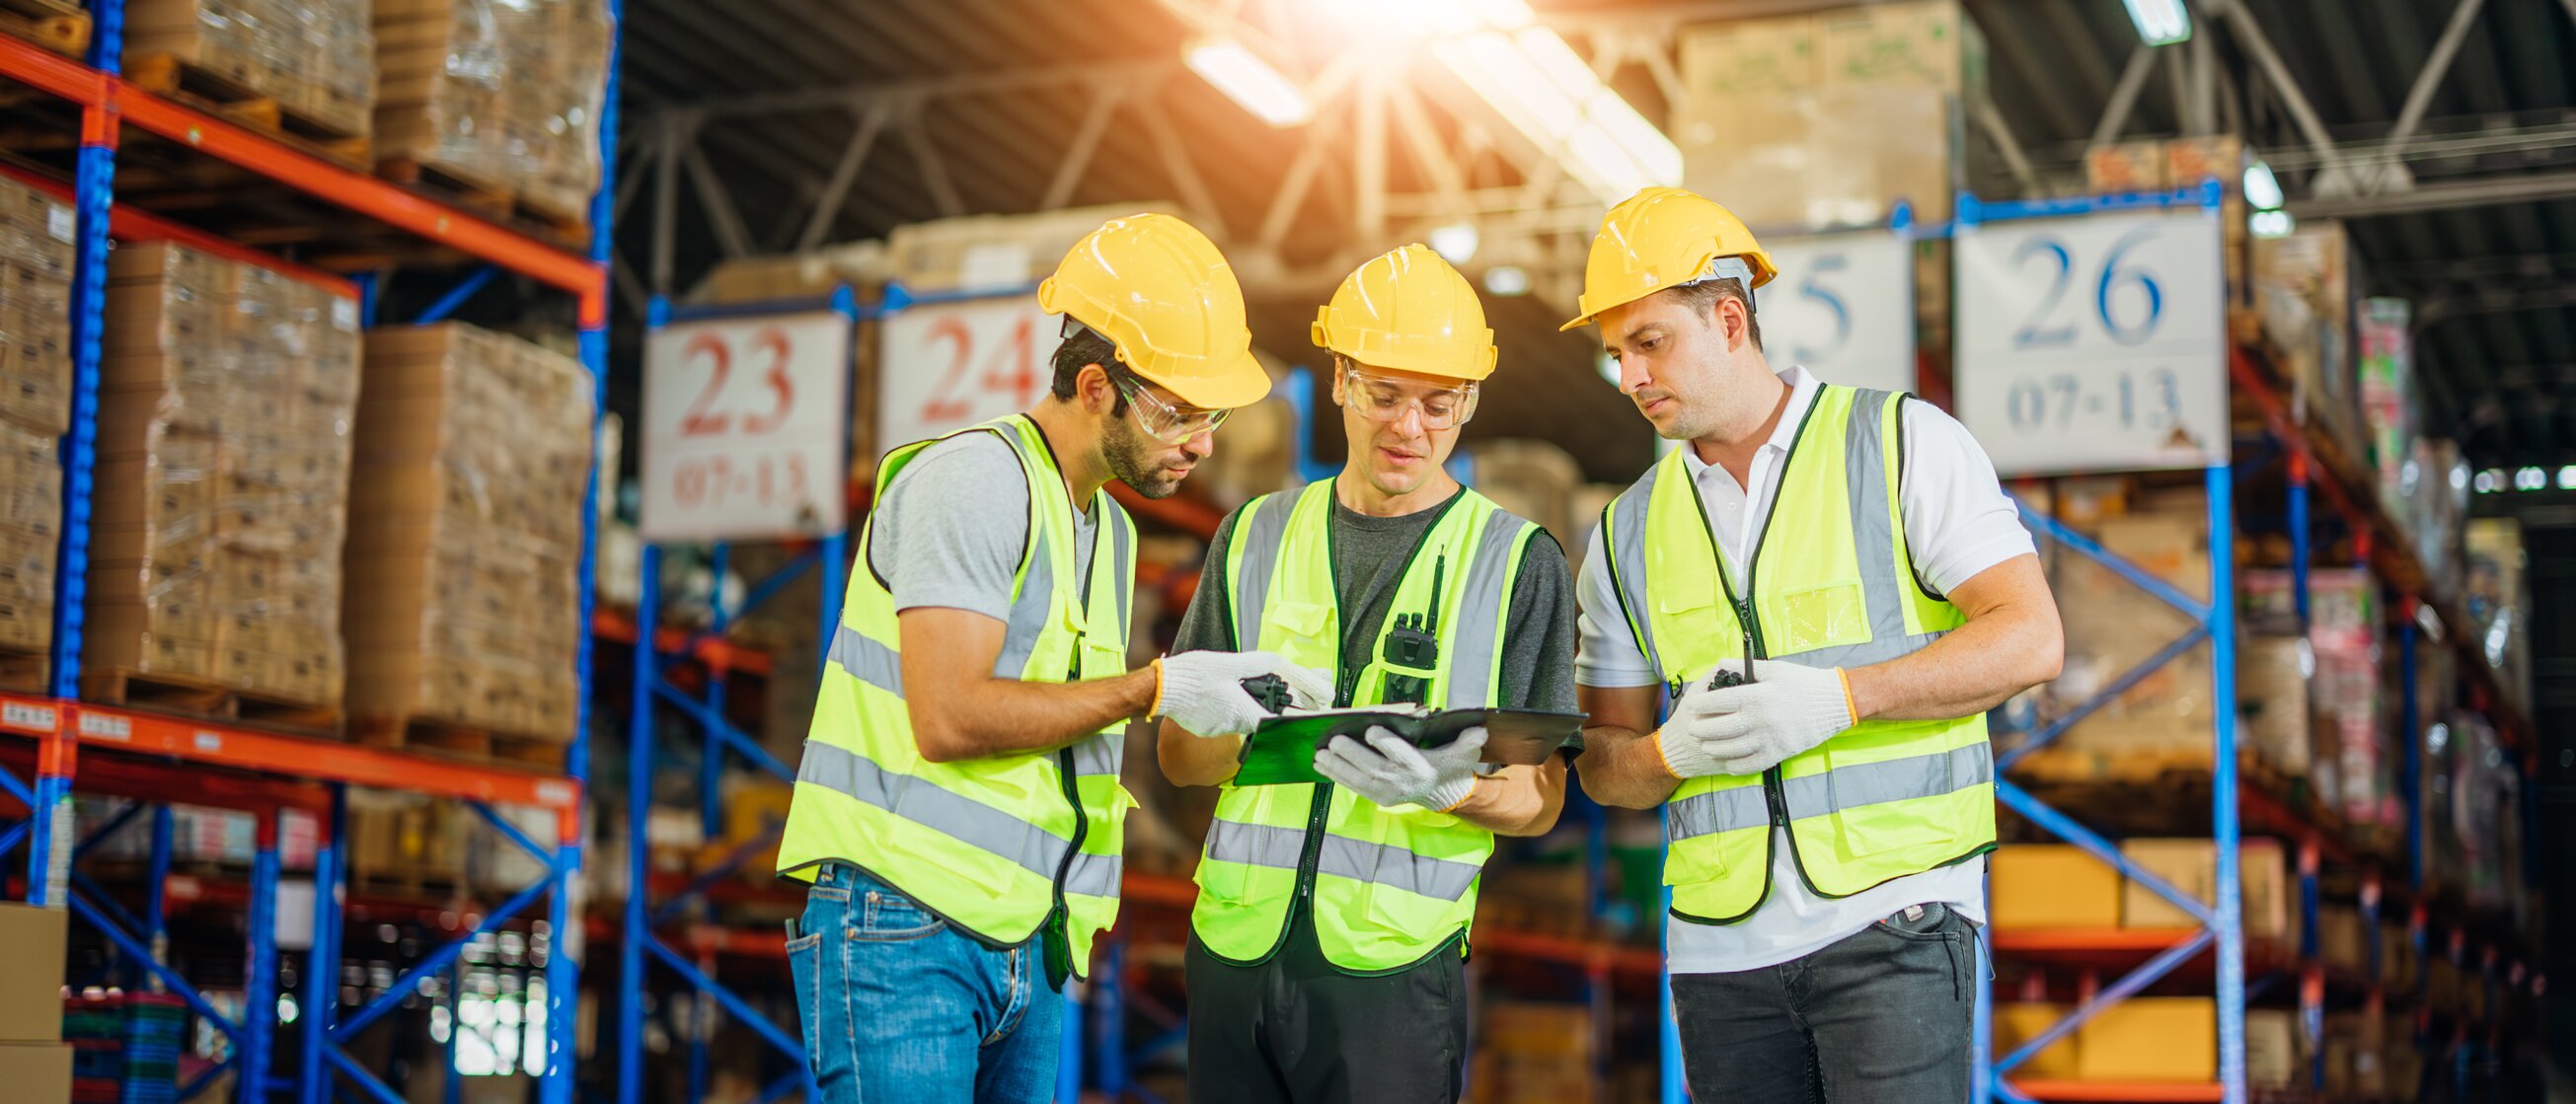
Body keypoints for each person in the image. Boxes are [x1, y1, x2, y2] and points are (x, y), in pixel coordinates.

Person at [775, 213, 1326, 1104]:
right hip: (905, 926)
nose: (1203, 443)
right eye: (1178, 412)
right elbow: (948, 716)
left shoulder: (1105, 527)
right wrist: (1156, 687)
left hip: (1031, 933)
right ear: (1099, 385)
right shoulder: (976, 480)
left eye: (1213, 414)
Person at [1561, 187, 2065, 1102]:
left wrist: (1840, 698)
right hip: (1720, 953)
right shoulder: (1627, 529)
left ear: (1727, 319)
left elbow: (2030, 639)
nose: (1630, 376)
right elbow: (1602, 764)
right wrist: (1666, 752)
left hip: (1895, 923)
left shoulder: (1901, 443)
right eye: (1615, 354)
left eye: (1649, 342)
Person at [1158, 244, 1581, 1103]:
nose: (1409, 427)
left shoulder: (1516, 562)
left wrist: (1449, 791)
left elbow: (1541, 799)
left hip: (1393, 969)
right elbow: (1178, 760)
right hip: (1234, 948)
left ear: (1470, 400)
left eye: (1439, 403)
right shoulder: (1252, 536)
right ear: (1342, 378)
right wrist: (1224, 729)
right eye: (1385, 396)